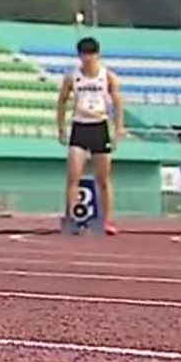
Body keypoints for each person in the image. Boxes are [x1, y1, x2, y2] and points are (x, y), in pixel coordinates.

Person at [55, 36, 124, 236]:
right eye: (84, 55)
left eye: (91, 55)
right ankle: (72, 218)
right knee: (73, 176)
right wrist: (61, 127)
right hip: (80, 126)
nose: (88, 59)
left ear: (97, 55)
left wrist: (118, 129)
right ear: (79, 56)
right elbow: (62, 101)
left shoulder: (108, 76)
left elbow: (118, 103)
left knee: (103, 178)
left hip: (99, 126)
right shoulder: (72, 77)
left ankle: (108, 220)